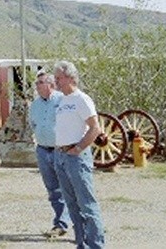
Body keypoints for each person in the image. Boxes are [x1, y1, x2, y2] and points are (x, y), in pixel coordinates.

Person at [53, 61, 105, 248]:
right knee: (72, 205)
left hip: (76, 156)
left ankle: (96, 245)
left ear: (69, 77)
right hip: (61, 156)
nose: (56, 81)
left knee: (87, 204)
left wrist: (78, 148)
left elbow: (95, 128)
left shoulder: (81, 99)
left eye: (58, 77)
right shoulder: (62, 100)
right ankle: (81, 243)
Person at [29, 70, 71, 238]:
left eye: (40, 83)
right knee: (52, 189)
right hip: (42, 149)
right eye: (37, 83)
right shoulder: (35, 105)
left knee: (67, 187)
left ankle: (73, 222)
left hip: (60, 150)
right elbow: (33, 124)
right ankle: (60, 223)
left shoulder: (62, 100)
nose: (37, 86)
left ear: (50, 84)